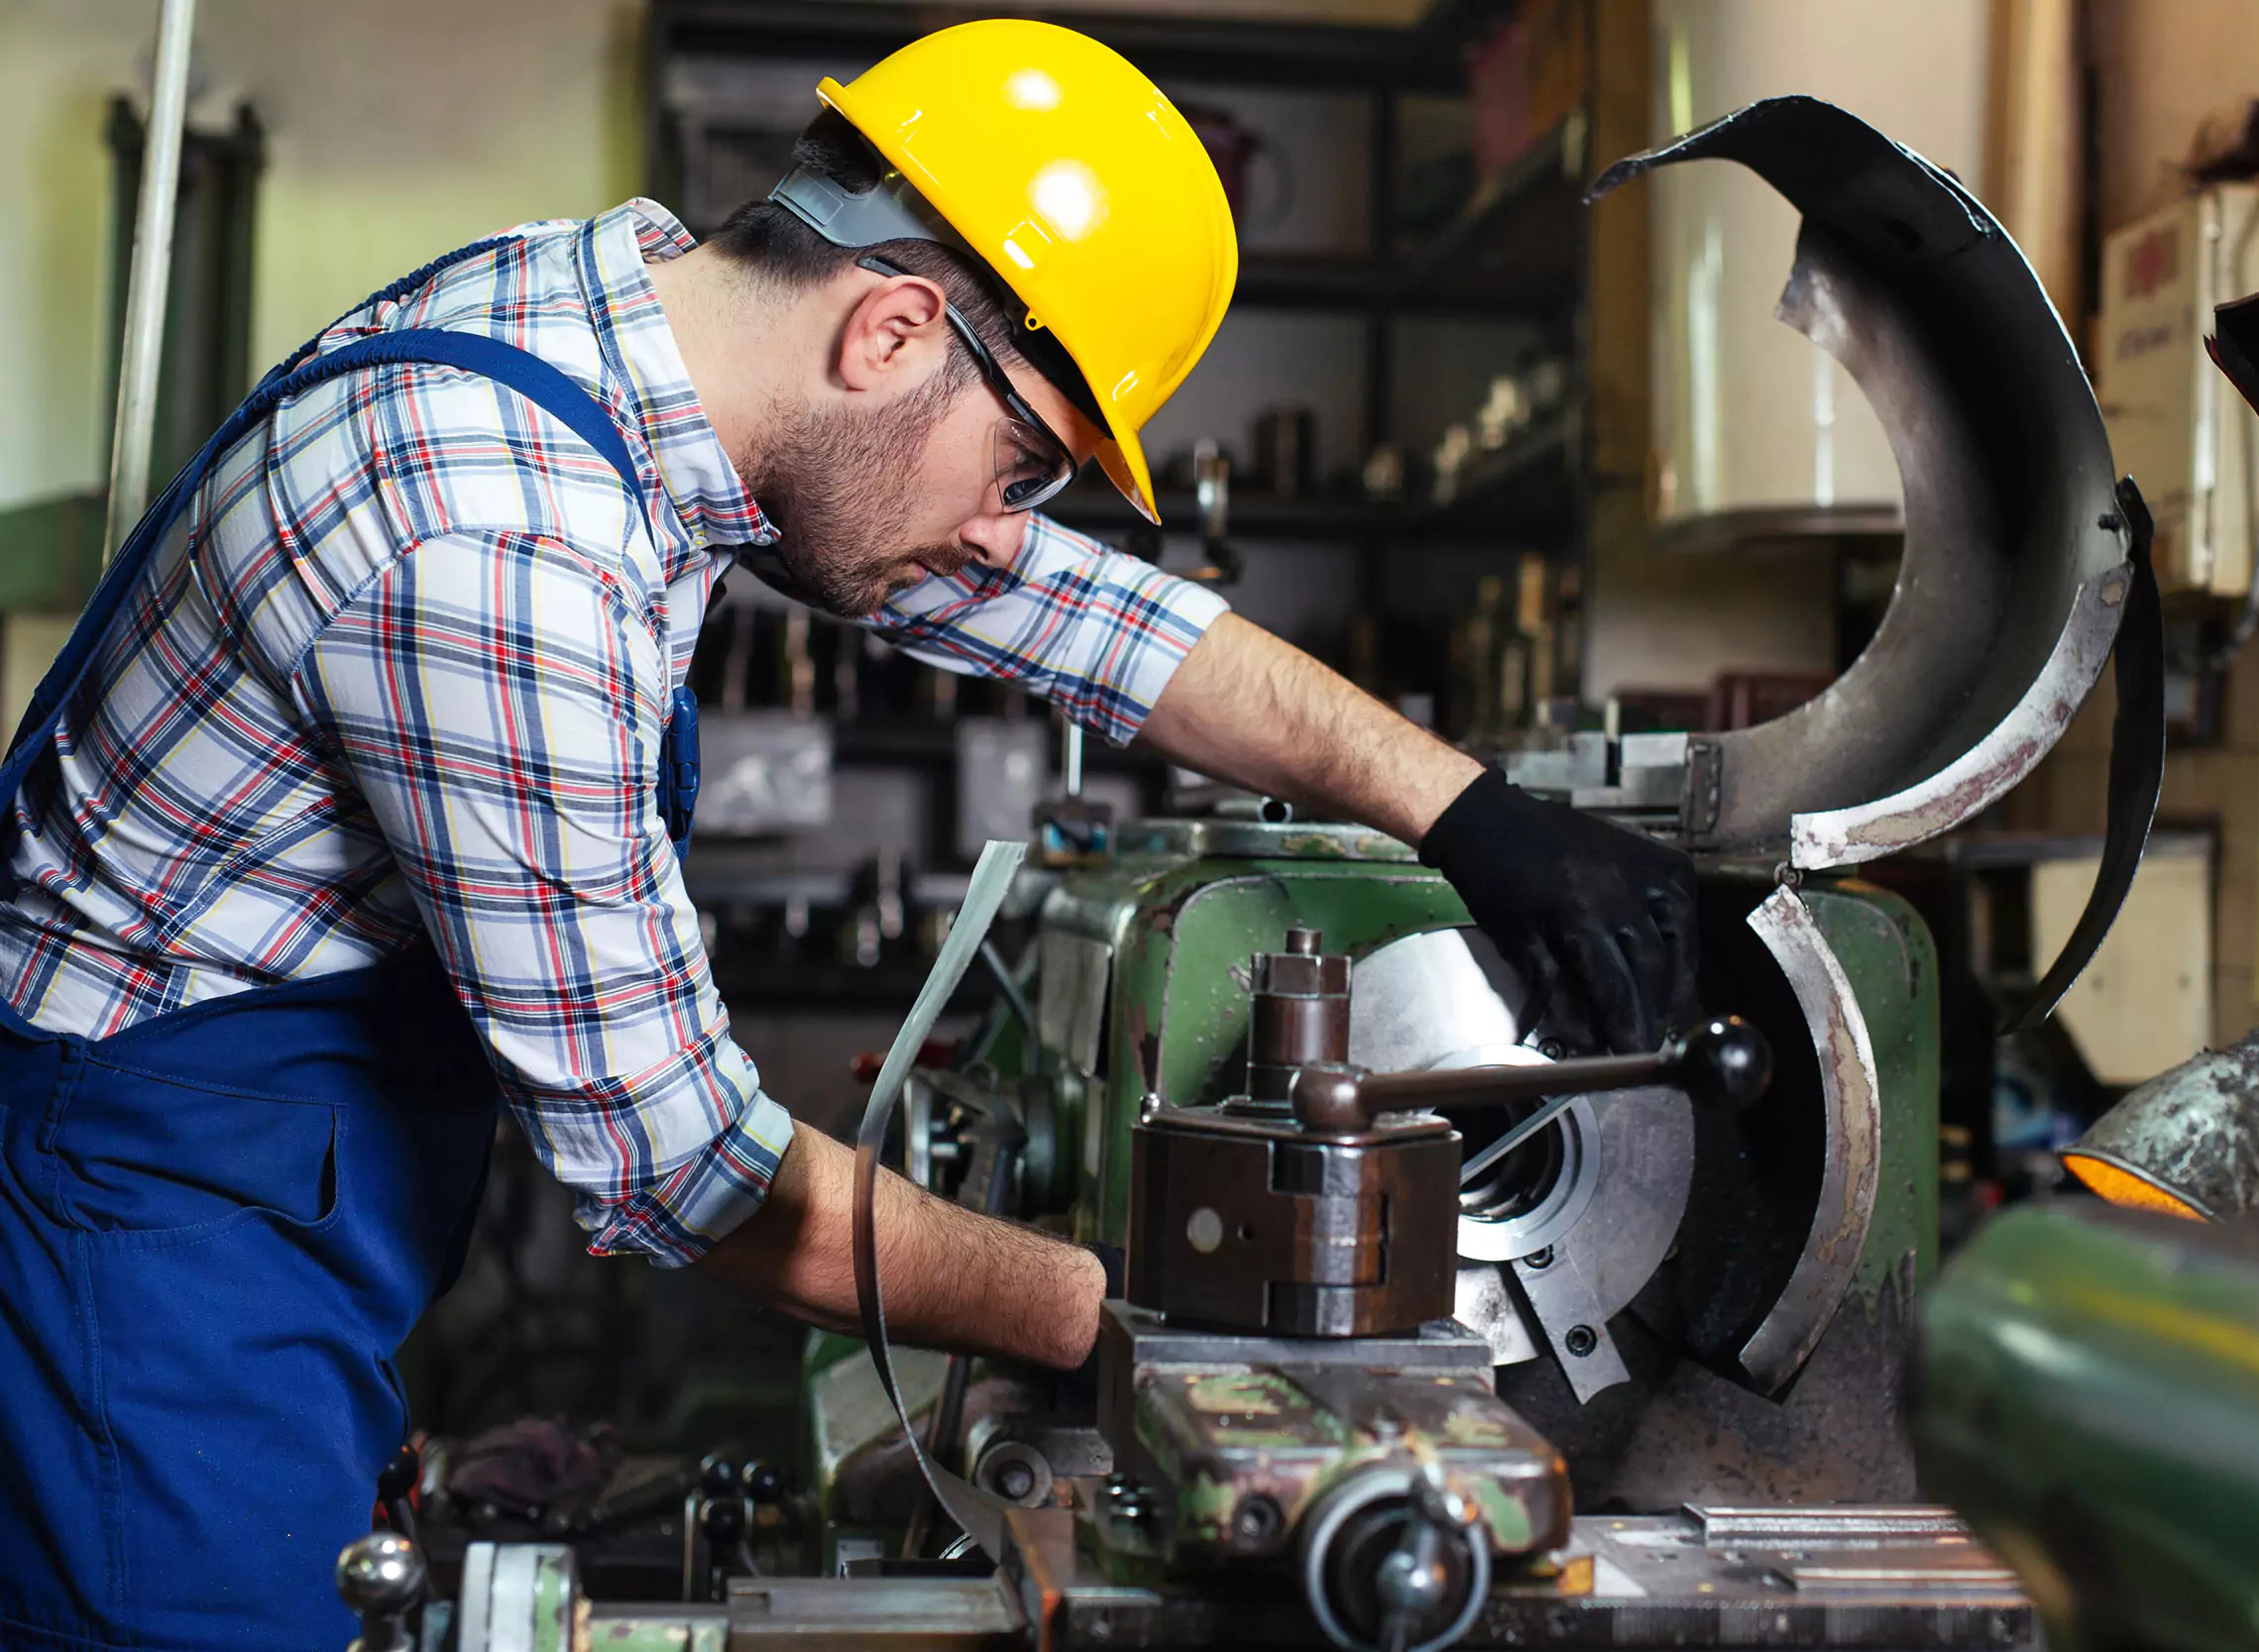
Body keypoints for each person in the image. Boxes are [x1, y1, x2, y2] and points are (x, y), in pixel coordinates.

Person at [0, 20, 1695, 1649]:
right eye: (1022, 465)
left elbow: (1094, 623)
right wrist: (1139, 1320)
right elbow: (688, 1170)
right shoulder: (499, 543)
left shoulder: (620, 321)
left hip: (255, 1189)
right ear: (889, 330)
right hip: (140, 1245)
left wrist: (1464, 807)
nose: (999, 529)